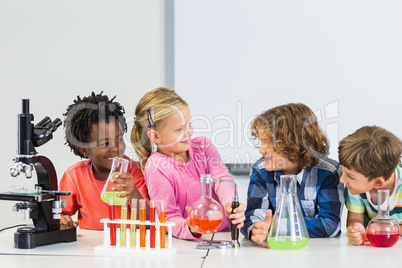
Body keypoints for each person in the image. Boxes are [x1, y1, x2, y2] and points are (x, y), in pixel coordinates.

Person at [131, 87, 245, 240]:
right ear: (155, 136)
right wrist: (190, 228)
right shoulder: (156, 167)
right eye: (179, 129)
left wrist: (230, 204)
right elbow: (169, 217)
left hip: (225, 235)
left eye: (189, 124)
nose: (189, 131)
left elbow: (222, 177)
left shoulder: (203, 146)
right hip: (192, 244)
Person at [241, 103, 344, 248]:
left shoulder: (328, 172)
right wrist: (256, 230)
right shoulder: (260, 170)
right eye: (261, 142)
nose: (261, 150)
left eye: (269, 143)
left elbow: (329, 225)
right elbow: (252, 217)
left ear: (296, 145)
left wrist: (278, 225)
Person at [59, 92, 149, 230]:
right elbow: (59, 214)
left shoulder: (133, 172)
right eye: (105, 143)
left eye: (119, 139)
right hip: (91, 248)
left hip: (129, 245)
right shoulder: (75, 176)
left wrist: (134, 193)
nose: (115, 148)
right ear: (84, 150)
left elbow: (150, 222)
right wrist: (61, 219)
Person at [339, 125, 402, 246]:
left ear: (378, 183)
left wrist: (382, 228)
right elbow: (354, 219)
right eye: (343, 172)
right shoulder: (355, 187)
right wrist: (357, 231)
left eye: (350, 176)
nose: (342, 179)